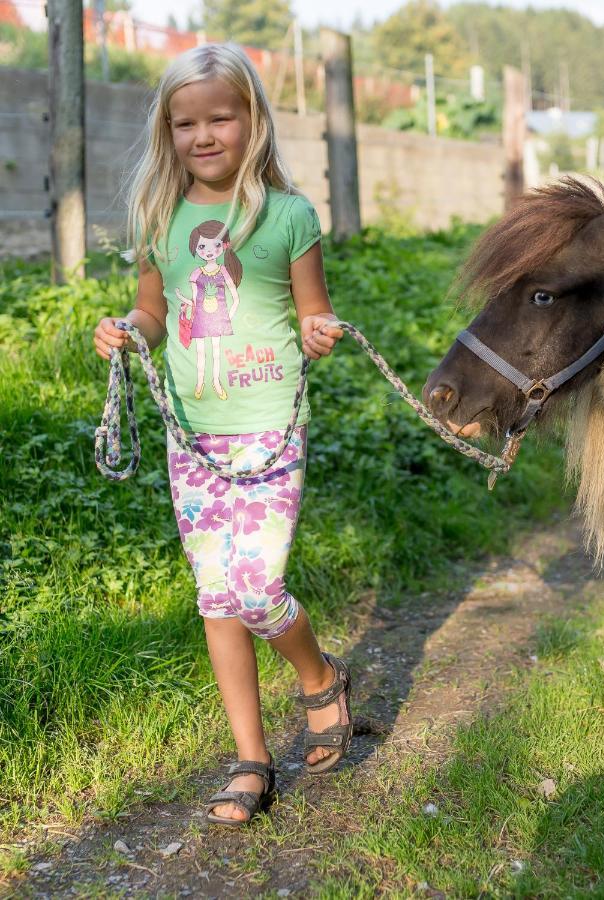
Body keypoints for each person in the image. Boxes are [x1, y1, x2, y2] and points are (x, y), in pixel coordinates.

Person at [93, 43, 351, 827]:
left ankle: (318, 677)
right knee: (217, 597)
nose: (203, 135)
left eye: (220, 118)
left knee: (258, 587)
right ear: (168, 131)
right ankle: (250, 758)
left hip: (268, 431)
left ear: (253, 121)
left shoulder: (289, 215)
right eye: (184, 123)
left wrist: (319, 331)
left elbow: (313, 307)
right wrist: (126, 332)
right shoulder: (160, 219)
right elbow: (153, 309)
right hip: (192, 436)